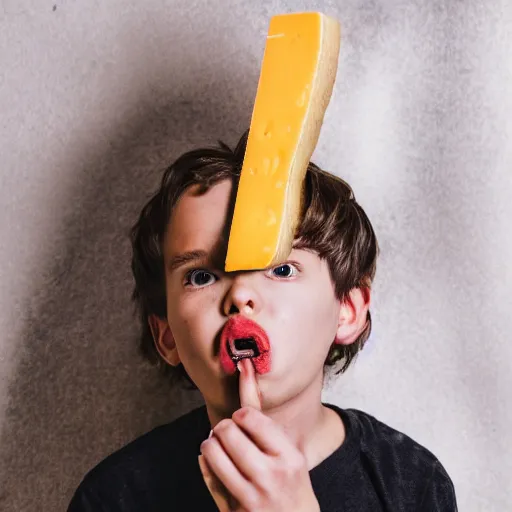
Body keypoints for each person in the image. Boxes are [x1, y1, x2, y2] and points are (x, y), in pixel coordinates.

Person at [67, 131, 458, 511]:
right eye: (202, 276)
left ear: (348, 311)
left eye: (283, 269)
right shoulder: (114, 497)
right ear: (166, 335)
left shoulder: (412, 484)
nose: (240, 296)